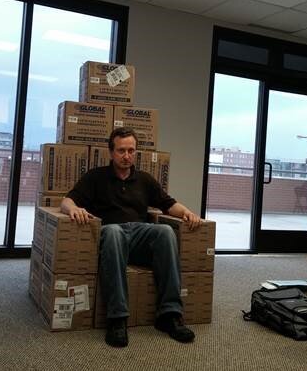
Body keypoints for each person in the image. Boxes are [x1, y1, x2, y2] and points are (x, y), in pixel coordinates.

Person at [60, 127, 202, 347]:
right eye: (121, 151)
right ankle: (117, 319)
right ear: (111, 152)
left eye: (131, 151)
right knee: (114, 231)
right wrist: (72, 210)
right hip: (111, 238)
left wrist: (187, 213)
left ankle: (170, 315)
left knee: (165, 231)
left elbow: (168, 204)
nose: (127, 156)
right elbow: (67, 200)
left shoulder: (144, 179)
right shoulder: (95, 177)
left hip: (139, 235)